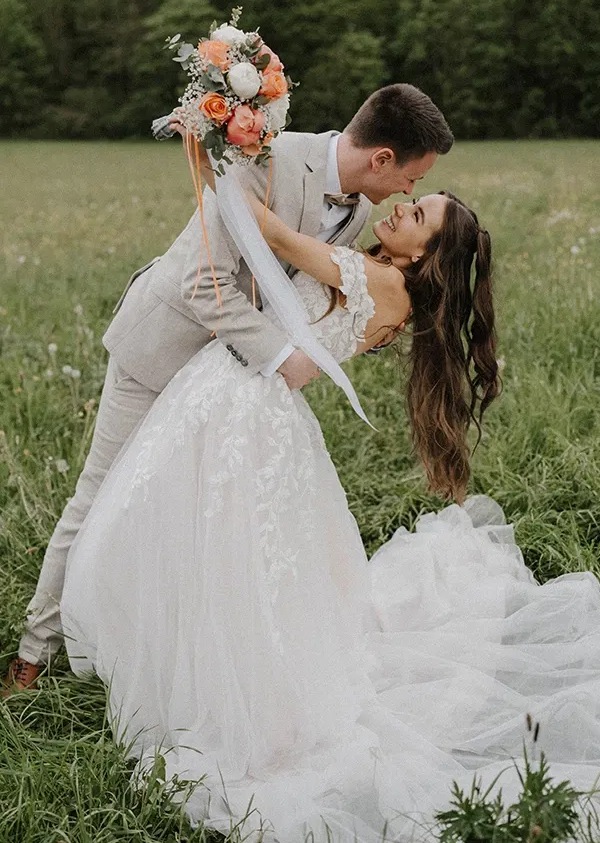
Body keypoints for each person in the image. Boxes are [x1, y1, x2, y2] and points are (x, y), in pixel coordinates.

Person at [58, 165, 600, 842]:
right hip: (237, 398)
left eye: (418, 217)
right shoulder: (383, 278)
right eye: (411, 202)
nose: (400, 210)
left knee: (213, 544)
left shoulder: (379, 282)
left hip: (245, 412)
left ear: (426, 257)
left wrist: (228, 149)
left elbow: (272, 234)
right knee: (208, 542)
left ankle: (228, 687)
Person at [3, 83, 454, 696]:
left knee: (189, 519)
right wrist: (282, 357)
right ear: (382, 160)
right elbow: (203, 281)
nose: (407, 192)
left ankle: (152, 652)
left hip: (230, 388)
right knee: (100, 498)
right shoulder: (262, 155)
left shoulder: (357, 213)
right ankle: (33, 656)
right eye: (411, 178)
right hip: (164, 350)